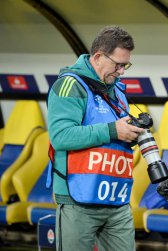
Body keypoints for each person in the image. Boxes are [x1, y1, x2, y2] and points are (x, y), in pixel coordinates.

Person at [47, 26, 144, 251]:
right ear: (98, 56)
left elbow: (115, 132)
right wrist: (112, 130)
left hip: (115, 198)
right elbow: (61, 136)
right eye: (118, 64)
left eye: (126, 65)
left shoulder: (117, 91)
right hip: (78, 199)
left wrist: (130, 135)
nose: (122, 71)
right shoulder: (70, 86)